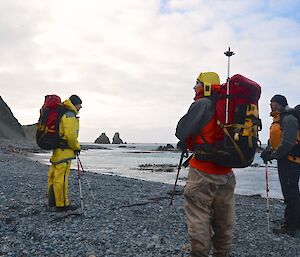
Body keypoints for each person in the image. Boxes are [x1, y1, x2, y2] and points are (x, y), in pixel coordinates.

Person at [176, 72, 236, 257]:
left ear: (206, 85)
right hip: (227, 173)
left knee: (199, 217)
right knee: (223, 221)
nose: (194, 87)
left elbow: (181, 131)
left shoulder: (202, 104)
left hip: (203, 171)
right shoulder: (229, 106)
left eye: (197, 83)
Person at [260, 94, 300, 236]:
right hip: (285, 160)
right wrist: (268, 151)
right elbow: (276, 140)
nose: (270, 104)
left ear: (281, 104)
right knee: (291, 191)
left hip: (291, 160)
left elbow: (288, 143)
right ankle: (294, 222)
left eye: (273, 102)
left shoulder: (288, 119)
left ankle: (290, 226)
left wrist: (273, 155)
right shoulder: (277, 120)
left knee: (291, 193)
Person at [47, 94, 82, 212]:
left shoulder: (61, 112)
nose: (80, 108)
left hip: (57, 150)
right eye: (79, 105)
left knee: (53, 176)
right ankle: (62, 205)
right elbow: (71, 136)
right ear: (74, 104)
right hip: (65, 152)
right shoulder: (69, 115)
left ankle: (52, 202)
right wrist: (77, 147)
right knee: (61, 178)